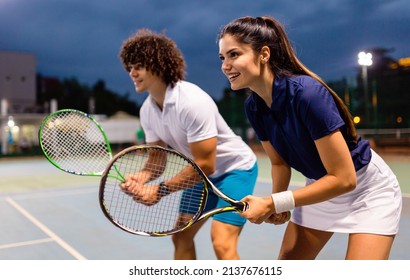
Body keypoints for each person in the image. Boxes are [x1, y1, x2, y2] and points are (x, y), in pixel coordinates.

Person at [217, 16, 402, 260]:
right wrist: (278, 203)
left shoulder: (307, 94)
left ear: (263, 54)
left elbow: (345, 179)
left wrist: (274, 202)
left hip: (368, 191)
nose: (225, 65)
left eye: (234, 54)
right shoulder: (253, 106)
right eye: (222, 57)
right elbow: (279, 162)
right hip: (321, 189)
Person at [119, 29, 258, 260]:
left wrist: (160, 190)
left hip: (235, 169)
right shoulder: (147, 110)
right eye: (129, 68)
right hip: (202, 174)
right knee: (181, 236)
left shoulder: (191, 101)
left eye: (138, 66)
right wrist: (140, 179)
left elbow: (206, 164)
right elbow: (156, 161)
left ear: (158, 64)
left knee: (222, 243)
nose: (132, 73)